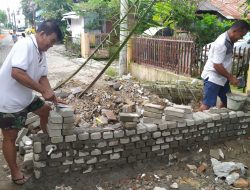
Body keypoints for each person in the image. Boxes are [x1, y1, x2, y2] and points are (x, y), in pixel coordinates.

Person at [0, 20, 62, 185]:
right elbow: (17, 73)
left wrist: (52, 95)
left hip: (24, 97)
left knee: (46, 110)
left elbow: (43, 77)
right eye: (52, 41)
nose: (52, 45)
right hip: (8, 100)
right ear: (42, 34)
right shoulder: (25, 45)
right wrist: (43, 91)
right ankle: (15, 172)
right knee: (10, 136)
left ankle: (46, 137)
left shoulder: (41, 52)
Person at [199, 20, 250, 111]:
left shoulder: (229, 39)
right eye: (241, 35)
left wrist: (229, 77)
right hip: (213, 78)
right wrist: (231, 78)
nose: (240, 38)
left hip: (222, 77)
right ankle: (196, 123)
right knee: (208, 105)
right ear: (235, 31)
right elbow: (217, 65)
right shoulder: (222, 43)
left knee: (227, 101)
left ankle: (219, 119)